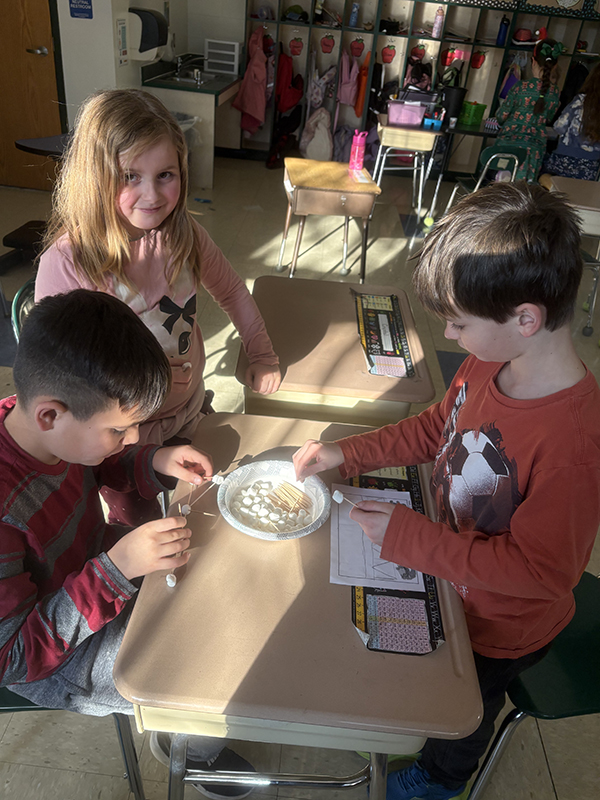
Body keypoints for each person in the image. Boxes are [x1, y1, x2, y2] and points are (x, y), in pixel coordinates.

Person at [292, 183, 600, 800]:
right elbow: (439, 427)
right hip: (447, 578)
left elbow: (541, 575)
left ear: (526, 318)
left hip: (501, 627)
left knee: (462, 719)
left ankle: (438, 782)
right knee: (400, 664)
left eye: (459, 323)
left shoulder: (573, 446)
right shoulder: (492, 360)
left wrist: (412, 539)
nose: (452, 336)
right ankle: (403, 728)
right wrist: (348, 452)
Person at [0, 290, 255, 797]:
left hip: (95, 573)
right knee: (201, 657)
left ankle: (181, 722)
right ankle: (191, 744)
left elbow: (98, 459)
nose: (134, 436)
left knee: (217, 583)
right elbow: (14, 658)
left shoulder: (53, 428)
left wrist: (153, 462)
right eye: (121, 428)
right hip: (55, 657)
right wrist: (113, 571)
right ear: (50, 414)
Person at [35, 88, 281, 525]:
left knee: (208, 518)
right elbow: (62, 382)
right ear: (95, 178)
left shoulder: (186, 236)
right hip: (123, 445)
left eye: (165, 174)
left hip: (189, 411)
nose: (151, 194)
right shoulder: (69, 264)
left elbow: (234, 293)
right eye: (130, 176)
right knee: (142, 534)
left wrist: (261, 353)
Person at [496, 39, 561, 182]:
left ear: (533, 61)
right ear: (555, 65)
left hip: (508, 145)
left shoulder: (520, 87)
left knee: (503, 182)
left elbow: (502, 115)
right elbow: (549, 117)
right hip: (534, 149)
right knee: (524, 187)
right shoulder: (555, 92)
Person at [541, 61, 600, 180]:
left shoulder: (580, 101)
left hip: (562, 162)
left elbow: (559, 127)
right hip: (589, 168)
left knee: (541, 168)